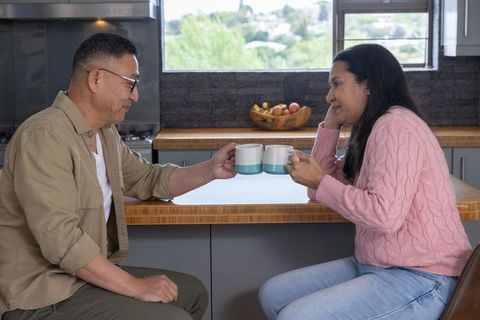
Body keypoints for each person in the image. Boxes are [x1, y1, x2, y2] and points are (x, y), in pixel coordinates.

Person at [0, 32, 236, 320]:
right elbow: (61, 240)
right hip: (40, 294)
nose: (135, 94)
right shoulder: (44, 136)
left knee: (193, 293)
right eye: (130, 82)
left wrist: (211, 169)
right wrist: (135, 287)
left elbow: (148, 179)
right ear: (96, 79)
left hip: (77, 280)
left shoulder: (104, 133)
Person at [258, 44, 473, 320]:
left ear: (367, 85)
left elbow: (384, 216)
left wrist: (321, 181)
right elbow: (317, 189)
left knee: (296, 317)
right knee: (273, 294)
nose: (328, 96)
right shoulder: (372, 127)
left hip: (425, 276)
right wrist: (330, 127)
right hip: (378, 265)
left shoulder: (395, 126)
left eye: (336, 85)